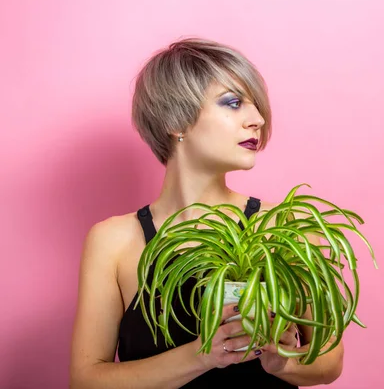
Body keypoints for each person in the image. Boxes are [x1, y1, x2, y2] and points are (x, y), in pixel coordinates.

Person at [69, 37, 344, 388]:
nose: (257, 119)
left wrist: (283, 364)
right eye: (233, 103)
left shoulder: (282, 225)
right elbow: (86, 380)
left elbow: (330, 359)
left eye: (256, 106)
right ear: (176, 121)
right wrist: (203, 355)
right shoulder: (113, 242)